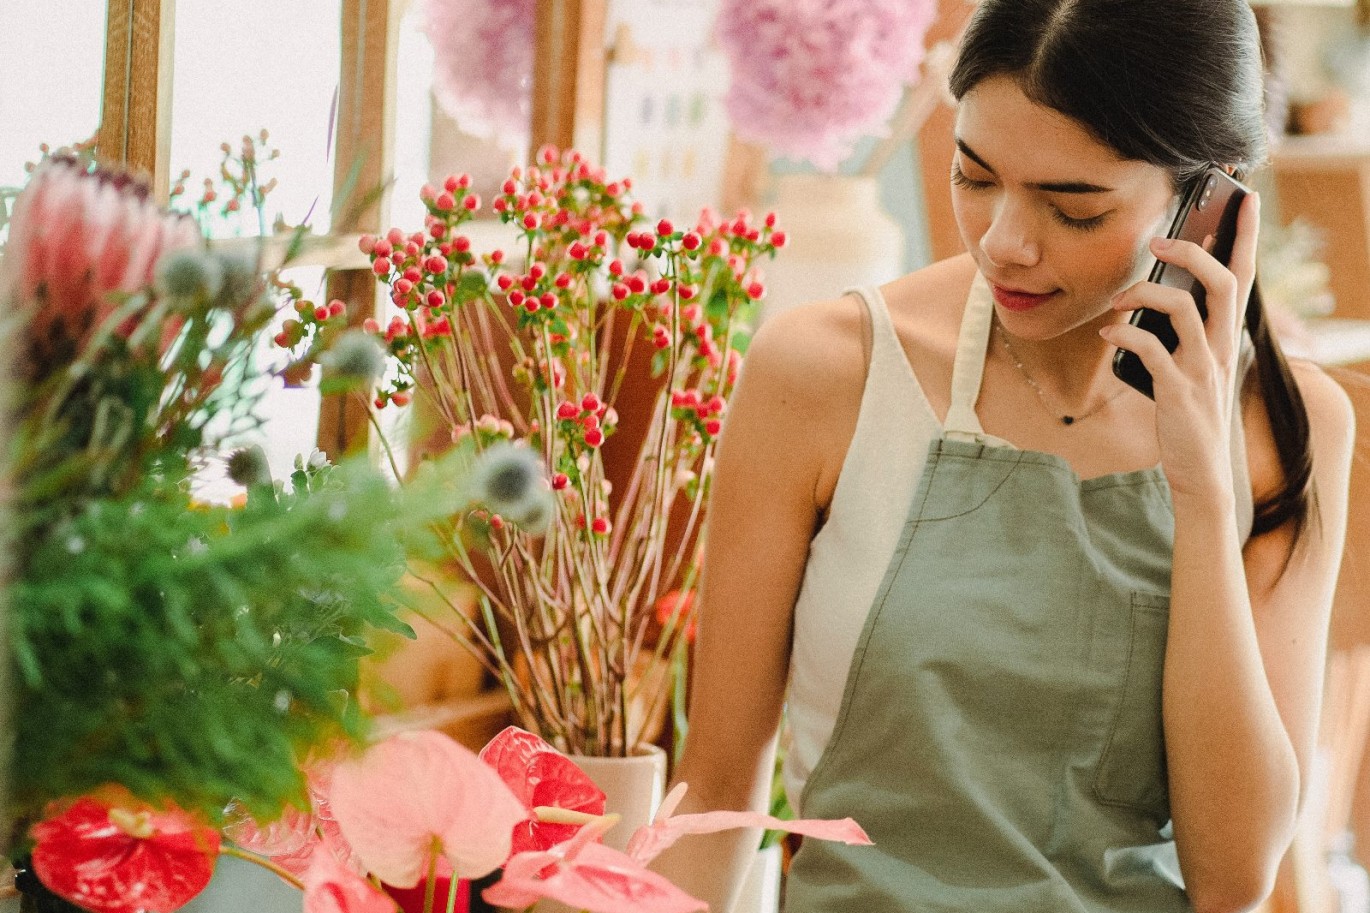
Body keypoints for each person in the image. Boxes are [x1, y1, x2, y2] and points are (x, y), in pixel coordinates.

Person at [652, 1, 1358, 911]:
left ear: (1209, 203)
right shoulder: (822, 373)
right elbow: (715, 802)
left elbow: (1233, 878)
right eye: (974, 176)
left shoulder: (1293, 428)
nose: (1003, 243)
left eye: (1074, 208)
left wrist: (1202, 493)